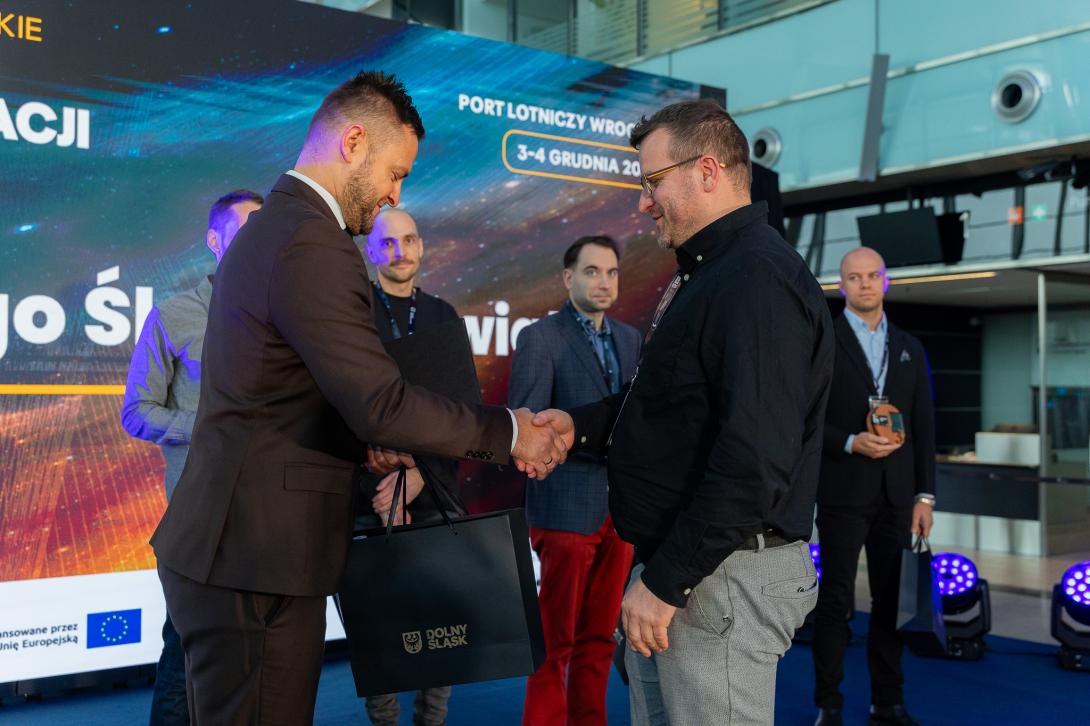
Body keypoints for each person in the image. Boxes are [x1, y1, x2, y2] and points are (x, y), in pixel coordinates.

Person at [149, 71, 567, 725]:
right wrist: (512, 432)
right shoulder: (310, 240)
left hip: (248, 549)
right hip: (254, 556)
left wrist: (371, 447)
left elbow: (288, 392)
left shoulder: (283, 227)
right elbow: (380, 402)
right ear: (352, 143)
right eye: (395, 173)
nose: (395, 194)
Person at [532, 99, 834, 725]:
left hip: (718, 575)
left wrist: (668, 581)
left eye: (653, 182)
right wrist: (579, 426)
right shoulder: (714, 272)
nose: (644, 203)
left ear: (707, 171)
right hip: (696, 569)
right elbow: (669, 405)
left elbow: (754, 461)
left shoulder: (755, 279)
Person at [121, 188, 263, 726]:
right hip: (199, 515)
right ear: (213, 239)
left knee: (257, 660)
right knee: (186, 652)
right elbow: (136, 412)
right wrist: (207, 428)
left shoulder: (286, 318)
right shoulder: (174, 315)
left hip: (268, 514)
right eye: (245, 228)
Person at [509, 235, 640, 726]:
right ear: (568, 278)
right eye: (592, 271)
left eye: (611, 272)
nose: (604, 282)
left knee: (600, 639)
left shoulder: (631, 339)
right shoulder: (540, 337)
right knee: (554, 641)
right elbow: (528, 426)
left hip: (618, 511)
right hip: (563, 507)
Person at [811, 247, 936, 726]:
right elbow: (805, 417)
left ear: (886, 281)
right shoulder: (823, 340)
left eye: (872, 275)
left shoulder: (909, 346)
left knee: (891, 604)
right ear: (840, 285)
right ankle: (829, 704)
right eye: (854, 277)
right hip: (843, 492)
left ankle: (887, 702)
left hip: (897, 497)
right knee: (835, 603)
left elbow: (924, 426)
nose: (864, 284)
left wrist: (924, 496)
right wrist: (848, 442)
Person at [354, 207, 464, 726]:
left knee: (441, 627)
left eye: (409, 240)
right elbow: (337, 400)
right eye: (388, 242)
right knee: (377, 628)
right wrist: (377, 464)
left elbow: (462, 411)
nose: (400, 251)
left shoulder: (443, 315)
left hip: (433, 490)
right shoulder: (352, 313)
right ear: (370, 251)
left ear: (421, 246)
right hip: (366, 494)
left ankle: (432, 721)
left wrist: (419, 472)